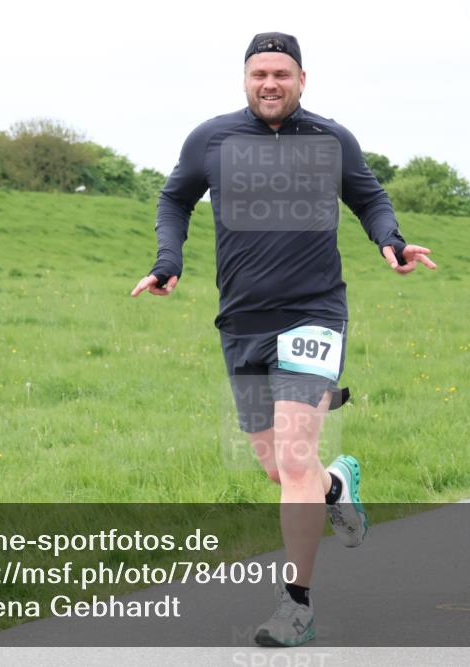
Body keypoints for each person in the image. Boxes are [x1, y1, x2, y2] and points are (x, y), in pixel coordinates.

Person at [131, 32, 437, 647]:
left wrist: (392, 241)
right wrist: (169, 261)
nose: (270, 83)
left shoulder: (331, 139)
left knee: (296, 459)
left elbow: (370, 198)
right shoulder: (212, 139)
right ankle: (336, 486)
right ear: (245, 79)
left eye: (281, 73)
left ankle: (296, 605)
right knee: (278, 469)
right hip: (242, 320)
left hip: (313, 315)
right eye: (259, 74)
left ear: (302, 79)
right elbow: (174, 199)